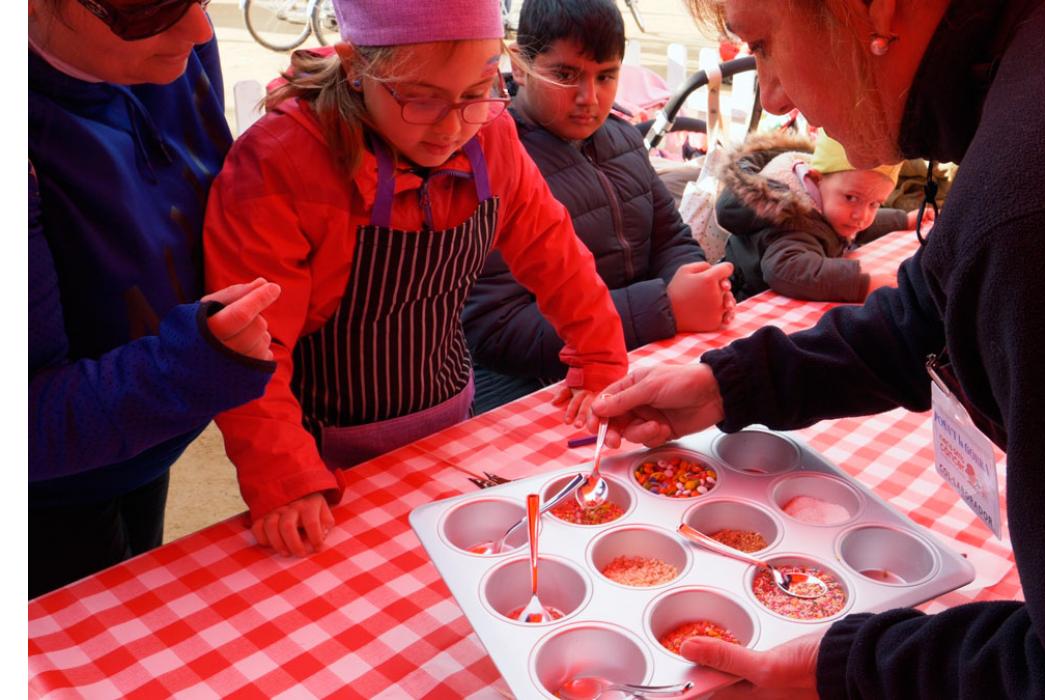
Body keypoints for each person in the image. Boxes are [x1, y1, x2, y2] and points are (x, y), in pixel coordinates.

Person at [591, 0, 1045, 697]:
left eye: (763, 45)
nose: (773, 96)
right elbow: (931, 309)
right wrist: (725, 384)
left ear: (872, 10)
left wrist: (854, 668)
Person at [203, 0, 629, 558]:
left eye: (476, 92)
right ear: (356, 67)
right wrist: (284, 477)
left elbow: (556, 254)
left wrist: (600, 358)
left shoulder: (491, 136)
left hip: (452, 419)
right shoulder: (279, 161)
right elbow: (255, 344)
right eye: (422, 99)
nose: (453, 127)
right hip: (326, 449)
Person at [28, 0, 279, 598]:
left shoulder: (166, 44)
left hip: (148, 432)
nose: (196, 30)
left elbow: (196, 180)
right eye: (153, 7)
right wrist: (193, 367)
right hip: (48, 496)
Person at [463, 0, 734, 413]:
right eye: (566, 74)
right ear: (519, 65)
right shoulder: (494, 163)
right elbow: (498, 330)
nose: (588, 98)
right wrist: (665, 305)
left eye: (605, 76)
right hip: (538, 391)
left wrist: (692, 277)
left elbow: (669, 236)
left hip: (644, 359)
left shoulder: (623, 139)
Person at [716, 130, 927, 302]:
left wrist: (903, 219)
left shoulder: (829, 204)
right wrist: (861, 283)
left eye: (874, 204)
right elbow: (787, 268)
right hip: (743, 301)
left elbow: (858, 226)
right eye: (852, 198)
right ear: (816, 179)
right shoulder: (793, 220)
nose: (861, 215)